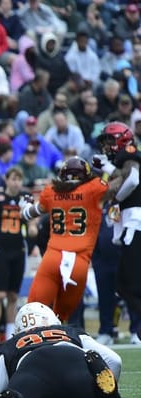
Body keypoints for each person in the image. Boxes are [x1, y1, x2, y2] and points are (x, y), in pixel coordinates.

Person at [0, 302, 121, 398]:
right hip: (73, 359)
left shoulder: (9, 345)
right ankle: (106, 394)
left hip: (32, 368)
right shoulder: (71, 331)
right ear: (54, 319)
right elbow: (115, 360)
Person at [20, 157, 112, 321]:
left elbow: (29, 213)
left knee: (33, 311)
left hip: (52, 258)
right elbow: (124, 184)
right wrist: (109, 167)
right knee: (61, 318)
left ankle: (29, 344)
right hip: (79, 261)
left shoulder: (51, 191)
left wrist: (23, 207)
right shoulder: (93, 189)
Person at [95, 123, 141, 339]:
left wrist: (115, 196)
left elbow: (132, 179)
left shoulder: (129, 153)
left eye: (110, 141)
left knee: (131, 282)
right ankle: (129, 329)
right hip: (123, 224)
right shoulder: (116, 161)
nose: (106, 146)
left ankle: (137, 329)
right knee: (121, 283)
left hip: (134, 222)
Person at [0, 167, 28, 347]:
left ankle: (10, 335)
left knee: (13, 295)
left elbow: (30, 224)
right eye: (13, 178)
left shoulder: (24, 198)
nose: (16, 182)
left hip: (18, 250)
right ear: (6, 180)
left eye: (19, 179)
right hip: (0, 250)